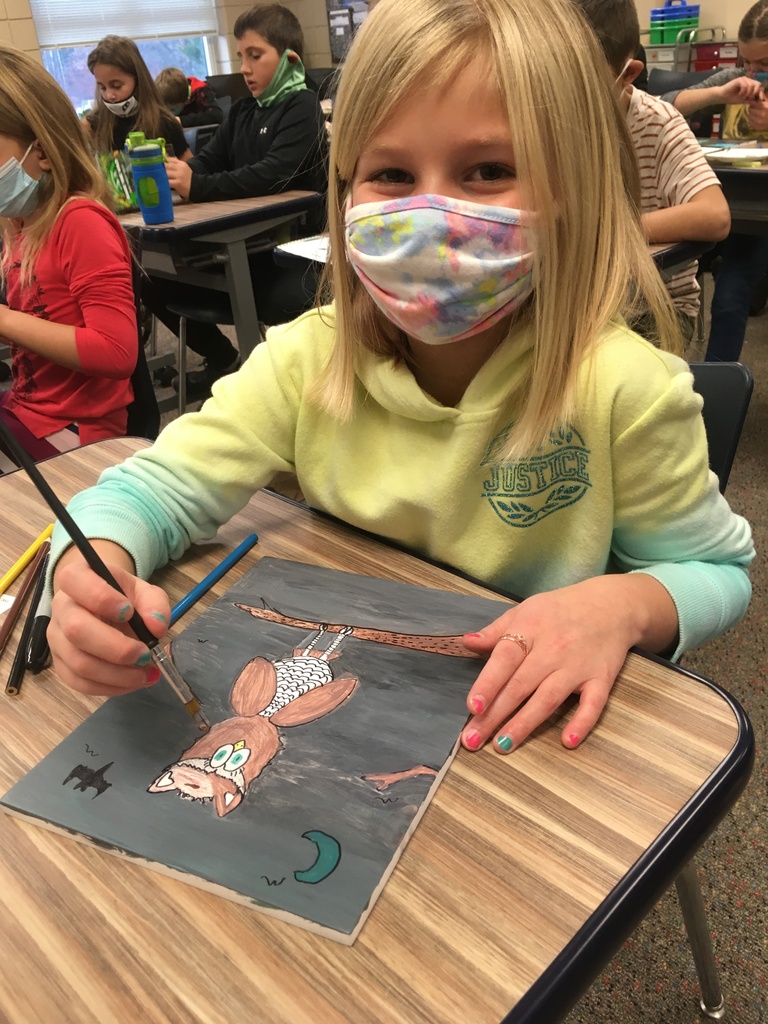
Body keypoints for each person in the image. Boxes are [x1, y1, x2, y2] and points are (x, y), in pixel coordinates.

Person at [47, 0, 753, 759]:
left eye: (488, 171)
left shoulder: (625, 388)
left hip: (530, 743)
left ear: (572, 192)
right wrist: (89, 569)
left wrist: (622, 606)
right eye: (389, 174)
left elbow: (715, 571)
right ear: (345, 192)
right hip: (357, 717)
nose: (429, 213)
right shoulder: (307, 358)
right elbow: (150, 489)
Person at [151, 3, 328, 400]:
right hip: (239, 249)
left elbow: (273, 173)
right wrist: (181, 173)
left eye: (255, 55)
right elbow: (211, 159)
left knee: (277, 300)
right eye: (240, 58)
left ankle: (277, 392)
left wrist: (199, 186)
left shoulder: (301, 106)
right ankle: (224, 359)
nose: (245, 68)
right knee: (155, 286)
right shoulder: (245, 110)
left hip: (290, 253)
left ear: (289, 59)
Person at [0, 45, 137, 463]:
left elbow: (117, 350)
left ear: (40, 151)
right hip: (32, 411)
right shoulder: (21, 224)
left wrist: (4, 320)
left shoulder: (79, 221)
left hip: (79, 432)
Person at [574, 0, 731, 344]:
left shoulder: (658, 122)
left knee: (594, 366)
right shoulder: (551, 121)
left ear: (628, 75)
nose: (571, 100)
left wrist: (610, 232)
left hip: (655, 303)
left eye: (586, 85)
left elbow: (715, 216)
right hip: (578, 297)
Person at [661, 0, 768, 361]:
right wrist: (720, 93)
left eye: (764, 65)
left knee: (731, 294)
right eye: (746, 63)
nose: (754, 74)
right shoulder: (737, 79)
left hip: (756, 219)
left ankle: (717, 395)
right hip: (728, 207)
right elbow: (662, 103)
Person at [83, 36, 191, 162]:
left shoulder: (165, 123)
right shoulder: (92, 126)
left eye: (116, 86)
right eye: (102, 87)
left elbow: (189, 169)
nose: (109, 96)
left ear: (138, 80)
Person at [154, 67, 225, 128]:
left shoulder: (201, 92)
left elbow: (216, 116)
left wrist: (181, 121)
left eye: (173, 109)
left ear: (187, 100)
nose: (170, 113)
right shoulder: (161, 95)